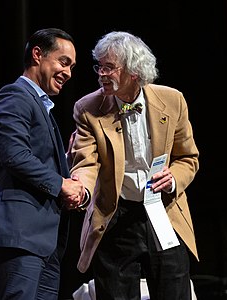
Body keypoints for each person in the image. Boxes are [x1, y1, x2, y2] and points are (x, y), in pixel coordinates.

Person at [68, 31, 200, 300]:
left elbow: (188, 158)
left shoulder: (172, 101)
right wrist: (80, 187)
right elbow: (86, 161)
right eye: (99, 66)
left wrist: (173, 178)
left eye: (109, 67)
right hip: (116, 215)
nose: (101, 74)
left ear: (134, 72)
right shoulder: (88, 108)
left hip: (163, 212)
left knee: (174, 290)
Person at [0, 28, 86, 300]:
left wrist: (66, 163)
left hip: (45, 242)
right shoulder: (14, 96)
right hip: (20, 236)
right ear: (37, 54)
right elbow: (14, 155)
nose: (69, 73)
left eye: (72, 67)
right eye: (64, 62)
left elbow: (32, 158)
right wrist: (61, 184)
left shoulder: (42, 107)